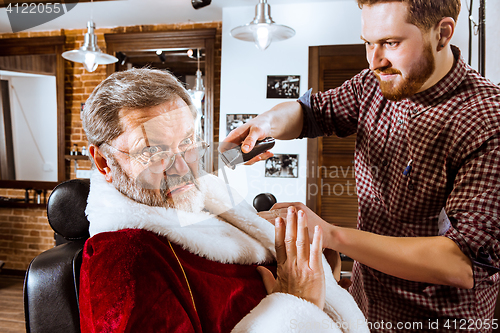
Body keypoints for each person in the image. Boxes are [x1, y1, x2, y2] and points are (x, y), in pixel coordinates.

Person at [224, 0, 500, 331]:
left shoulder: (487, 120)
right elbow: (311, 113)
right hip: (363, 308)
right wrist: (266, 123)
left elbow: (463, 263)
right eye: (368, 43)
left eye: (391, 43)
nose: (374, 60)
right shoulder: (373, 84)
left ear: (442, 33)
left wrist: (331, 235)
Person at [78, 68, 368, 333]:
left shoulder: (200, 195)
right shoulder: (124, 263)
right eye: (153, 152)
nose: (184, 170)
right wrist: (298, 306)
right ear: (104, 161)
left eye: (188, 141)